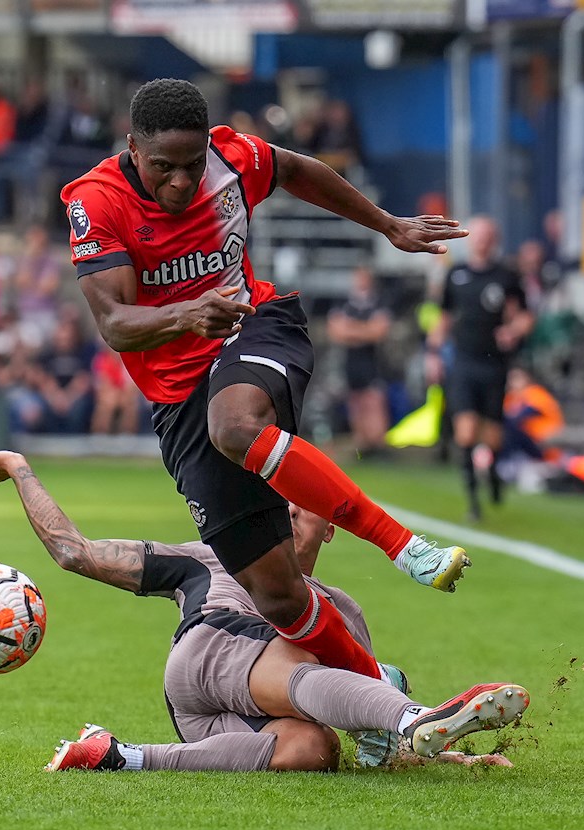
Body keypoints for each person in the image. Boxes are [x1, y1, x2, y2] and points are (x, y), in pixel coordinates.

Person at [60, 79, 470, 686]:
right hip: (177, 394)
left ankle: (404, 546)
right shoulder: (96, 202)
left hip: (252, 325)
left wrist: (386, 225)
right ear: (133, 147)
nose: (181, 182)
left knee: (234, 426)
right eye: (164, 167)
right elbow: (116, 325)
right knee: (276, 593)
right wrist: (186, 314)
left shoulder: (233, 157)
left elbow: (297, 170)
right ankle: (376, 692)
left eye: (192, 164)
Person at [0, 434, 528, 772]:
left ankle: (120, 756)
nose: (288, 508)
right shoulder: (208, 556)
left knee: (314, 750)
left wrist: (450, 756)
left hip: (216, 726)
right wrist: (19, 470)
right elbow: (75, 553)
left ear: (330, 526)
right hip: (208, 654)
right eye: (278, 497)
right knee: (314, 658)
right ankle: (414, 716)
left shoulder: (342, 610)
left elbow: (362, 723)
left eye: (304, 500)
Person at [429, 216, 534, 522]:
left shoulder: (506, 275)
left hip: (494, 362)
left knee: (492, 435)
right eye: (478, 236)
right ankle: (473, 501)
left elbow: (525, 316)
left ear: (495, 240)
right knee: (465, 430)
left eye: (488, 236)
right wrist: (433, 353)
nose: (482, 241)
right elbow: (444, 316)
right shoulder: (456, 274)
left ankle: (494, 474)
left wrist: (513, 331)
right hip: (464, 360)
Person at [326, 265, 392, 456]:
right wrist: (364, 329)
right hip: (350, 362)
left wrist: (351, 329)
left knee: (374, 400)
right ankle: (362, 445)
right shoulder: (344, 303)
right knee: (355, 402)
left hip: (372, 362)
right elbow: (336, 332)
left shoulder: (378, 302)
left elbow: (378, 332)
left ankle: (377, 445)